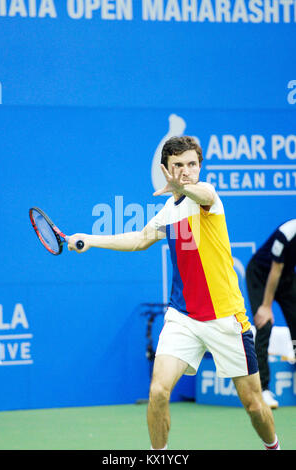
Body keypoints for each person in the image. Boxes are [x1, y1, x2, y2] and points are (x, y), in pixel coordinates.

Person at [68, 136, 280, 450]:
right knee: (158, 391)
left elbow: (204, 191)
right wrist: (91, 239)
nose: (185, 171)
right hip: (183, 318)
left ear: (200, 167)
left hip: (225, 318)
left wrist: (184, 187)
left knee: (253, 404)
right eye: (178, 165)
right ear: (166, 169)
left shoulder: (207, 197)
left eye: (192, 164)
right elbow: (140, 239)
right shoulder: (169, 211)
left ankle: (273, 446)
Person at [246, 219, 296, 409]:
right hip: (260, 274)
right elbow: (275, 270)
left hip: (287, 277)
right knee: (264, 324)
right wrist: (266, 306)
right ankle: (263, 389)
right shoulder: (287, 233)